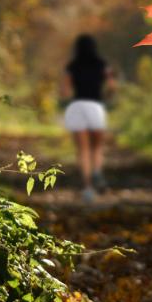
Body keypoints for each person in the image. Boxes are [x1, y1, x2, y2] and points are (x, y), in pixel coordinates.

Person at [62, 34, 115, 202]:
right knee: (97, 148)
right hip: (95, 106)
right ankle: (97, 172)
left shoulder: (72, 66)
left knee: (83, 150)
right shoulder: (102, 64)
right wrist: (106, 94)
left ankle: (87, 188)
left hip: (77, 107)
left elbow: (65, 91)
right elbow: (112, 86)